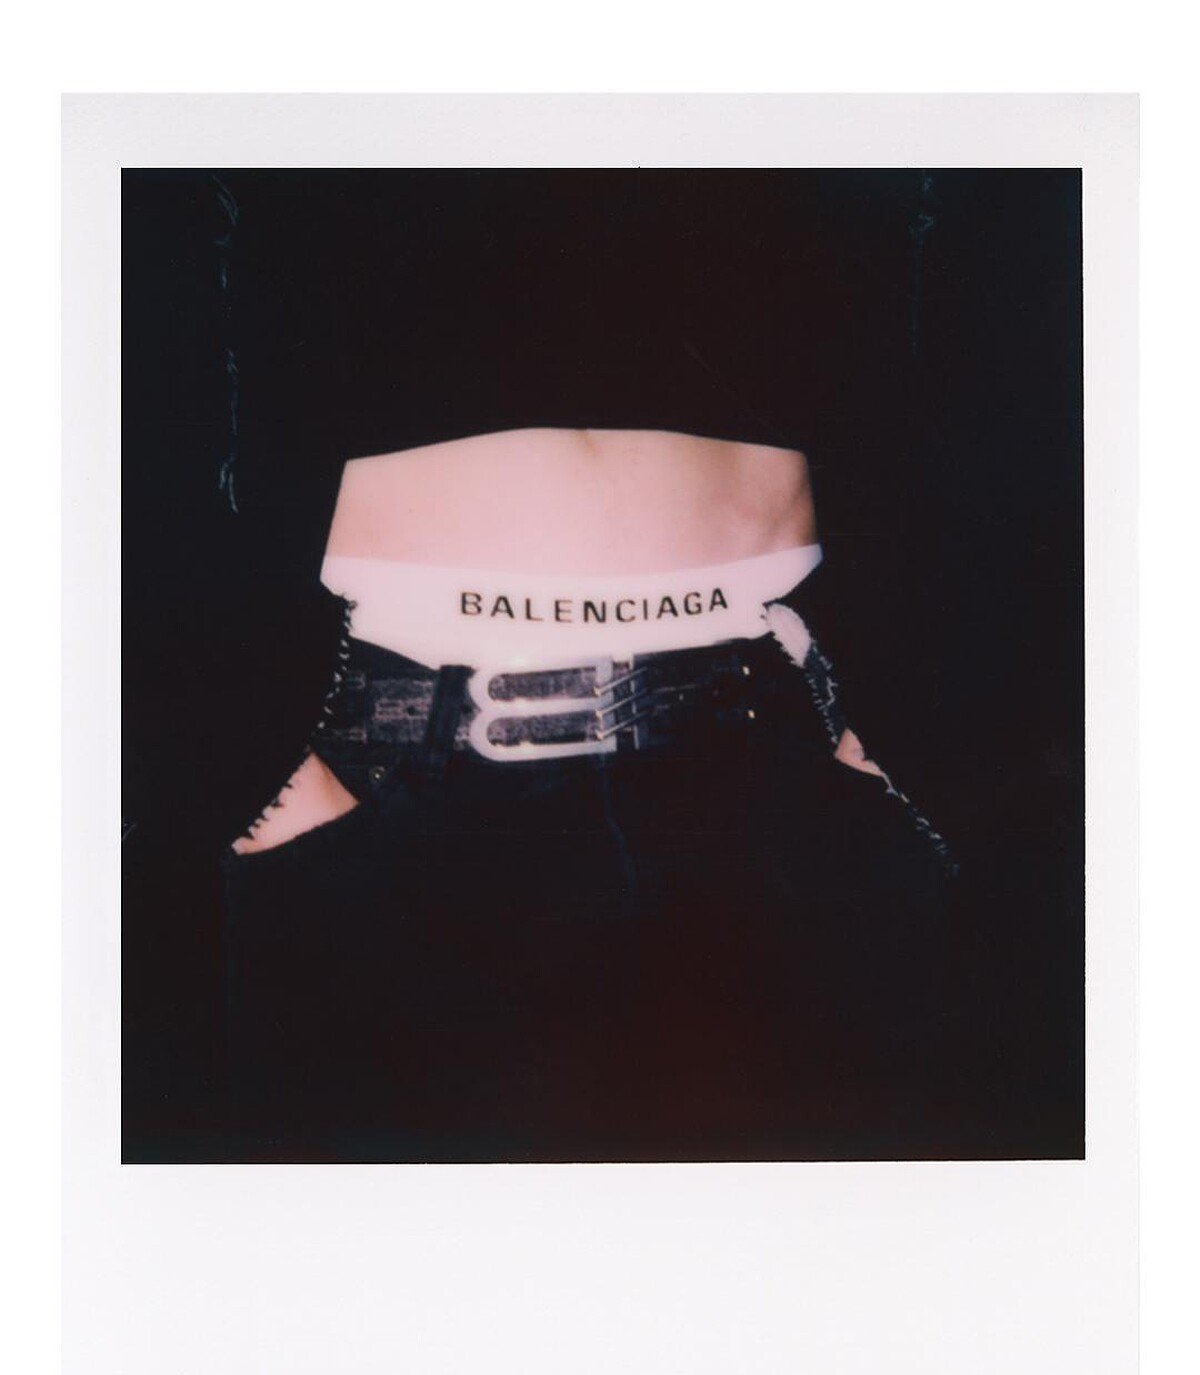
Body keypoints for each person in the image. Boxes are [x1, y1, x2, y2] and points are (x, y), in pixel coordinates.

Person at [126, 169, 963, 1162]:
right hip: (393, 799)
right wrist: (251, 771)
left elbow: (935, 322)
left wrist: (895, 746)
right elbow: (151, 314)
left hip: (778, 787)